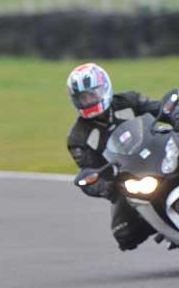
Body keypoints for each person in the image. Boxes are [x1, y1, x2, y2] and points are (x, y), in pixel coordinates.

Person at [66, 62, 162, 251]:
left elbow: (159, 109)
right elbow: (88, 173)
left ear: (105, 88)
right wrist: (104, 186)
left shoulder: (130, 100)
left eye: (93, 93)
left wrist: (174, 116)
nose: (89, 100)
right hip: (125, 179)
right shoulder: (78, 137)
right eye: (83, 97)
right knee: (124, 234)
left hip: (156, 154)